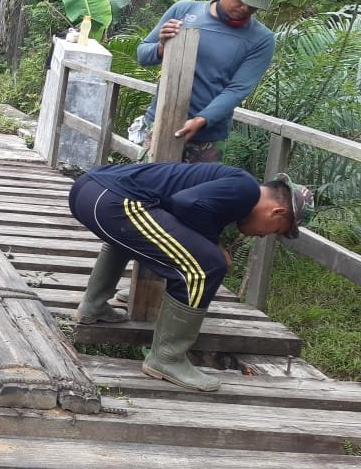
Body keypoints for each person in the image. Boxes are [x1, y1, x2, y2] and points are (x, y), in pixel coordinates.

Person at [69, 162, 313, 391]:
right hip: (112, 202)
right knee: (206, 267)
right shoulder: (246, 190)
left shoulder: (231, 187)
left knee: (137, 235)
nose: (262, 236)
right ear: (277, 212)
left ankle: (93, 305)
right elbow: (184, 203)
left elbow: (176, 214)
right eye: (274, 231)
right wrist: (215, 245)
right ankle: (167, 358)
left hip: (89, 190)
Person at [134, 0, 279, 163]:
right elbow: (142, 55)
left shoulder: (261, 39)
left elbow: (237, 89)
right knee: (145, 183)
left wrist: (202, 120)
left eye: (253, 5)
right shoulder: (183, 11)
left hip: (208, 140)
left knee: (195, 186)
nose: (245, 8)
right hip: (159, 124)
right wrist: (162, 47)